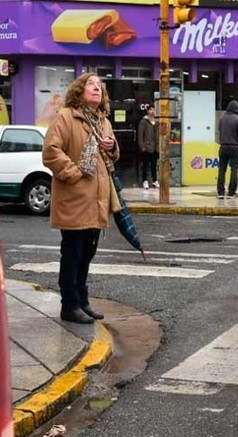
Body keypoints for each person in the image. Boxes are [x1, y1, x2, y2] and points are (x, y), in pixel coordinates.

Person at [43, 72, 119, 324]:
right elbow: (51, 151)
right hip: (75, 198)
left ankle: (82, 301)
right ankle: (69, 305)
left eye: (100, 86)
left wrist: (113, 147)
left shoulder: (103, 122)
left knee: (88, 253)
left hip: (96, 199)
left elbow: (110, 155)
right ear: (79, 90)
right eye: (91, 84)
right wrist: (74, 173)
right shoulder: (66, 116)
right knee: (73, 253)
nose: (97, 89)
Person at [216, 99, 238, 198]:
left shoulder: (222, 119)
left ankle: (220, 192)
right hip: (235, 147)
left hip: (223, 147)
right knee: (234, 170)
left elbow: (219, 131)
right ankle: (231, 192)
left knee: (221, 170)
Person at [137, 104, 159, 189]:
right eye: (150, 109)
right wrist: (142, 146)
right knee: (145, 165)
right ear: (147, 111)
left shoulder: (157, 122)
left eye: (153, 109)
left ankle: (155, 181)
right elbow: (140, 134)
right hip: (146, 147)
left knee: (154, 165)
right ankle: (145, 181)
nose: (152, 111)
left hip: (155, 148)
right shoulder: (143, 121)